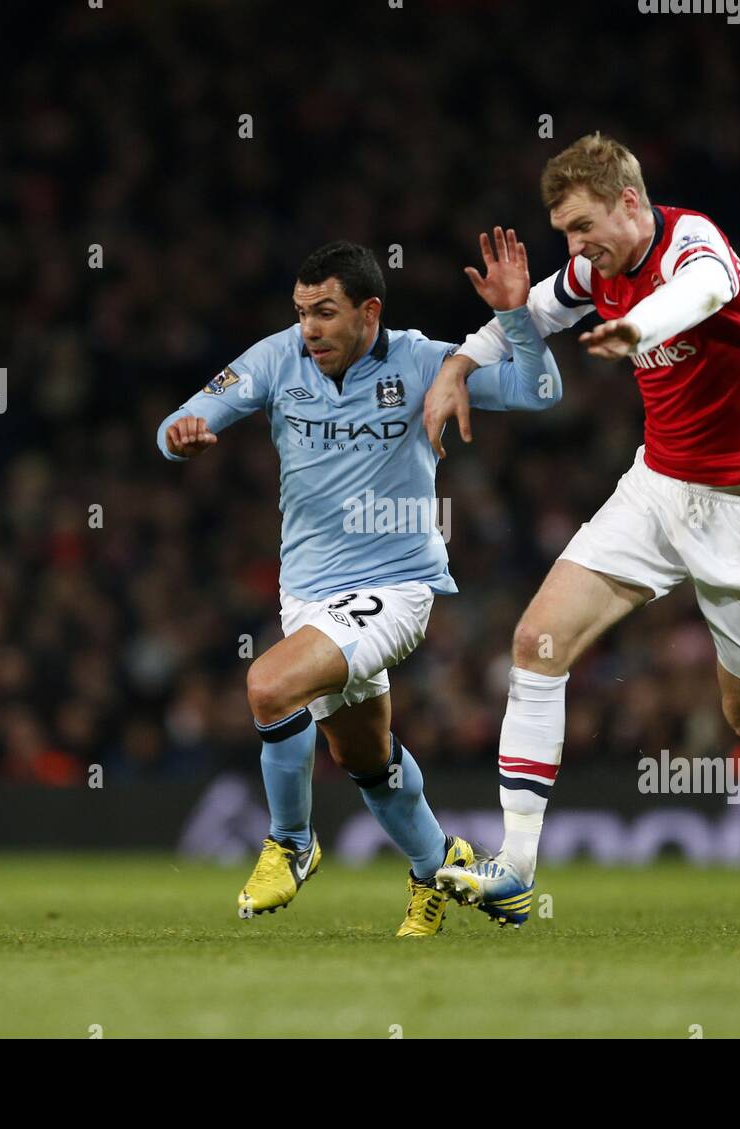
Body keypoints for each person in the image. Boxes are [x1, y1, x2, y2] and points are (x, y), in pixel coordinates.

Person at [423, 134, 740, 926]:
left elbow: (698, 293)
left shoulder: (695, 242)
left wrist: (635, 331)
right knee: (536, 642)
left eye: (584, 226)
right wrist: (458, 363)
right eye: (565, 234)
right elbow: (534, 314)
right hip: (657, 488)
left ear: (630, 201)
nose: (575, 247)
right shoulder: (596, 270)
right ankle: (515, 866)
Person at [159, 237, 562, 935]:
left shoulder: (420, 360)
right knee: (364, 758)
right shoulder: (276, 358)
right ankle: (440, 865)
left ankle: (291, 841)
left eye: (324, 312)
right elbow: (173, 425)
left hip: (397, 586)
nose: (309, 328)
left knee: (268, 686)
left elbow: (539, 389)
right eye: (301, 311)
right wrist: (182, 436)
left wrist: (517, 316)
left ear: (368, 311)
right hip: (308, 595)